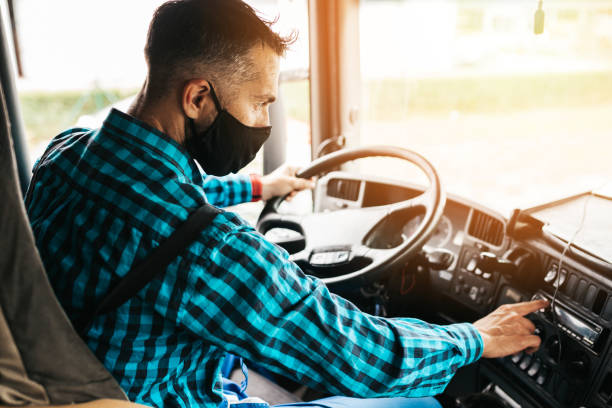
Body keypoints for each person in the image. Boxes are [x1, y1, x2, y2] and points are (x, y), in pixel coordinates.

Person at [24, 1, 548, 407]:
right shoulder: (206, 250)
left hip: (77, 382)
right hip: (175, 395)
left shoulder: (65, 155)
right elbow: (358, 353)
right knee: (416, 399)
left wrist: (259, 188)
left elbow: (152, 200)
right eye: (259, 103)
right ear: (198, 98)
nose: (262, 121)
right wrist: (472, 338)